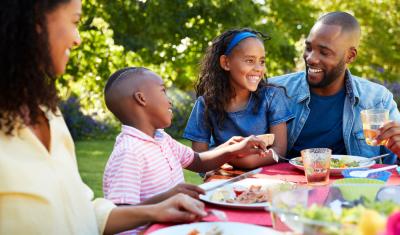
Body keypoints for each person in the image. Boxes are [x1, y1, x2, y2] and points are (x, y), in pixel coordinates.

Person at [0, 1, 208, 234]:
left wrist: (155, 210)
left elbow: (81, 213)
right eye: (74, 21)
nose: (77, 39)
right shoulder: (129, 151)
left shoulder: (49, 114)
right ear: (33, 22)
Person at [102, 67, 268, 234]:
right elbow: (118, 219)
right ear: (141, 98)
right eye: (163, 91)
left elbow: (197, 161)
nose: (170, 101)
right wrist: (168, 197)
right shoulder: (129, 152)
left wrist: (231, 150)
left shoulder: (162, 139)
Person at [268, 11, 400, 163]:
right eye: (309, 48)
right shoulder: (276, 91)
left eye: (324, 52)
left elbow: (392, 165)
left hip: (356, 186)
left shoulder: (378, 99)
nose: (311, 58)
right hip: (289, 185)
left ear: (350, 56)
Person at [183, 28, 294, 169]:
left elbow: (279, 150)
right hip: (224, 181)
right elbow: (198, 157)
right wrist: (230, 153)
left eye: (262, 61)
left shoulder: (271, 96)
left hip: (267, 179)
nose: (258, 68)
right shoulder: (206, 105)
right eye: (249, 60)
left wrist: (240, 160)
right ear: (226, 63)